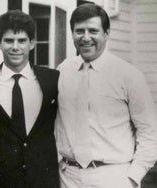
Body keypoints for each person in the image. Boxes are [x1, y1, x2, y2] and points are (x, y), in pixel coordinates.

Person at [55, 3, 157, 188]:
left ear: (107, 34)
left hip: (113, 177)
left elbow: (150, 133)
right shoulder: (63, 71)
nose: (86, 38)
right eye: (79, 31)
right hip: (68, 177)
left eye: (93, 30)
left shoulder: (129, 75)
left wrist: (133, 177)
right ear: (72, 34)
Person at [0, 10, 60, 188]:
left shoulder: (53, 80)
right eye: (9, 40)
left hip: (43, 182)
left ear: (32, 43)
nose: (15, 47)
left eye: (22, 40)